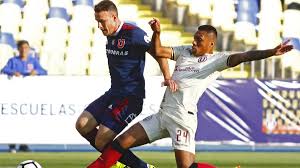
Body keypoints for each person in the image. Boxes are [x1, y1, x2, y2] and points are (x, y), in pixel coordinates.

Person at [87, 18, 293, 168]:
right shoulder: (185, 51)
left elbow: (245, 55)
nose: (194, 42)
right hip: (162, 115)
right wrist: (157, 33)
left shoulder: (217, 60)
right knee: (120, 143)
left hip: (182, 119)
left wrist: (271, 52)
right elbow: (158, 52)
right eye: (194, 38)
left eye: (199, 40)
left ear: (211, 44)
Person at [75, 1, 175, 168]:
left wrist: (167, 77)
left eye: (102, 21)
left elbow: (158, 53)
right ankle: (116, 161)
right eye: (97, 22)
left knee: (101, 140)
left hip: (131, 97)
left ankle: (139, 167)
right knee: (82, 125)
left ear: (114, 17)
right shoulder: (110, 34)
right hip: (114, 93)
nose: (99, 26)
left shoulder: (134, 34)